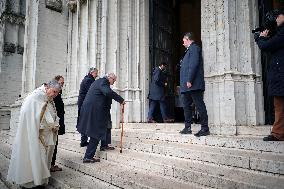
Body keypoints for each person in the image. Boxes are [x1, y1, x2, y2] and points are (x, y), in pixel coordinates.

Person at [7, 80, 61, 188]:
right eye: (54, 91)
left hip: (42, 134)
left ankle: (38, 181)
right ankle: (31, 182)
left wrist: (54, 124)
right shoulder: (36, 97)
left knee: (40, 158)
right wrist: (50, 125)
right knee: (35, 156)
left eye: (57, 93)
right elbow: (33, 115)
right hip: (35, 134)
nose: (54, 95)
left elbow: (47, 113)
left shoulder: (46, 97)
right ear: (48, 87)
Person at [77, 73, 125, 163]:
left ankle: (104, 145)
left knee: (105, 126)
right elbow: (107, 92)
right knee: (95, 133)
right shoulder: (103, 82)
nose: (113, 83)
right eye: (113, 80)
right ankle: (88, 157)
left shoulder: (99, 82)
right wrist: (120, 100)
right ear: (109, 78)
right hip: (95, 111)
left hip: (95, 110)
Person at [255, 9, 284, 141]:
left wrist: (260, 38)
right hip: (279, 75)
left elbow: (267, 46)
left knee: (279, 105)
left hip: (281, 76)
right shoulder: (279, 32)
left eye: (278, 16)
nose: (276, 18)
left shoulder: (282, 32)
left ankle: (277, 133)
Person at [179, 32, 210, 137]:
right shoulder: (188, 51)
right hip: (186, 86)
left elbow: (194, 64)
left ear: (188, 39)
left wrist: (190, 80)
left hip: (193, 84)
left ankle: (205, 128)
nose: (183, 44)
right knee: (186, 106)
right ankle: (187, 127)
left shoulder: (194, 48)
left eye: (184, 41)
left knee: (199, 105)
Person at [77, 67, 98, 147]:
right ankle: (83, 141)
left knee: (84, 121)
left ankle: (84, 140)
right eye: (96, 73)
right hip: (84, 104)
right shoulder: (88, 80)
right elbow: (92, 91)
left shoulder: (88, 79)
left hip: (84, 104)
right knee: (84, 121)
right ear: (92, 73)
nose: (97, 75)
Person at [50, 75, 65, 172]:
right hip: (53, 122)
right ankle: (51, 165)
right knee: (53, 144)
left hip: (57, 121)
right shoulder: (53, 92)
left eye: (63, 83)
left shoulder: (58, 92)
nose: (62, 85)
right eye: (61, 83)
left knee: (55, 143)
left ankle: (52, 163)